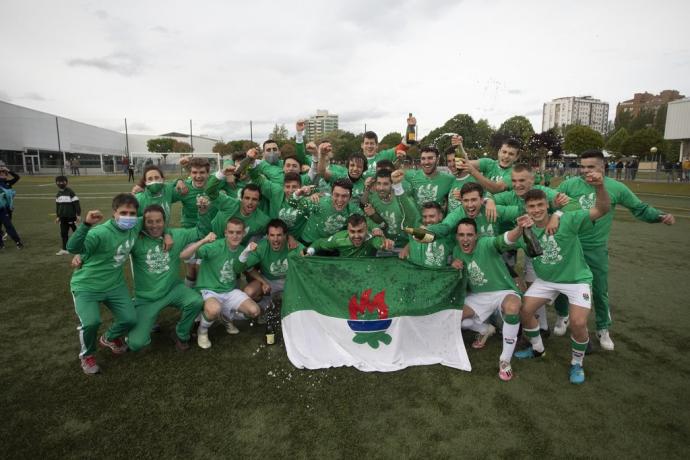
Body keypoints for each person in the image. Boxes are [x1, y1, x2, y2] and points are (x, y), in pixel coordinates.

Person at [552, 150, 675, 350]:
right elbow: (551, 203)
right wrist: (553, 204)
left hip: (596, 248)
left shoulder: (616, 188)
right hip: (570, 245)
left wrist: (659, 216)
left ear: (603, 167)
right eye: (582, 166)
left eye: (590, 167)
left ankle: (603, 328)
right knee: (563, 284)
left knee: (600, 290)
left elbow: (639, 208)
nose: (585, 171)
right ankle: (562, 316)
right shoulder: (569, 184)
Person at [513, 173, 611, 384]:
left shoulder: (569, 220)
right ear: (526, 210)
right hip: (547, 280)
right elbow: (503, 245)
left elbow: (602, 209)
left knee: (577, 323)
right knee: (525, 310)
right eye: (532, 206)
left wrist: (600, 186)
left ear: (547, 206)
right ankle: (537, 349)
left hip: (576, 280)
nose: (537, 210)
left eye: (540, 205)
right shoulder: (526, 231)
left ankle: (577, 363)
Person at [66, 194, 143, 374]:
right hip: (87, 286)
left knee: (130, 318)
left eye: (132, 213)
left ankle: (110, 337)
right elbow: (72, 248)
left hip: (114, 285)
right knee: (91, 322)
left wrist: (167, 235)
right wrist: (86, 225)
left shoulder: (136, 224)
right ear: (114, 212)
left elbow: (156, 219)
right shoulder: (99, 232)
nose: (128, 217)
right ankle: (87, 356)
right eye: (123, 212)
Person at [451, 217, 524, 381]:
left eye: (469, 235)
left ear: (476, 236)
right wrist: (453, 264)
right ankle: (485, 329)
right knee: (454, 317)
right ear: (456, 236)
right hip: (478, 296)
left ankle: (505, 361)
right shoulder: (456, 251)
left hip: (503, 291)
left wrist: (519, 228)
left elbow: (506, 239)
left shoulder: (486, 243)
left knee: (512, 309)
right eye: (461, 235)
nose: (465, 239)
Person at [126, 204, 206, 352]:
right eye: (149, 221)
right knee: (136, 344)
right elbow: (118, 234)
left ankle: (180, 333)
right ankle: (135, 315)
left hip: (172, 289)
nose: (154, 225)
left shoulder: (177, 235)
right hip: (147, 298)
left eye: (159, 221)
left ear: (165, 222)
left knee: (196, 301)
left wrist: (202, 212)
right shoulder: (136, 240)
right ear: (143, 222)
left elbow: (200, 231)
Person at [179, 218, 261, 349]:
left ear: (243, 234)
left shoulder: (242, 249)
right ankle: (203, 331)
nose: (235, 236)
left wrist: (245, 253)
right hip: (209, 291)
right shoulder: (214, 246)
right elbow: (184, 256)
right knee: (213, 309)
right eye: (231, 232)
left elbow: (239, 270)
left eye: (238, 232)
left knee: (254, 311)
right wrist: (204, 240)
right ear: (225, 233)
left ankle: (226, 316)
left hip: (229, 291)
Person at [289, 178, 362, 245]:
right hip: (308, 243)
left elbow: (366, 221)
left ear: (350, 197)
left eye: (344, 196)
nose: (340, 200)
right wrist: (298, 193)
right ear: (331, 194)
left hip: (330, 247)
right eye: (336, 195)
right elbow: (292, 202)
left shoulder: (353, 210)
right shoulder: (319, 202)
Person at [453, 135, 521, 193]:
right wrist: (459, 146)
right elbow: (462, 164)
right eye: (504, 152)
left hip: (499, 207)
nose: (506, 156)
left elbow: (496, 188)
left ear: (516, 157)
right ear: (499, 152)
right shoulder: (488, 163)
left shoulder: (516, 173)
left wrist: (473, 171)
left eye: (511, 154)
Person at [306, 214, 394, 257]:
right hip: (345, 274)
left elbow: (380, 244)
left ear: (366, 229)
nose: (356, 236)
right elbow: (320, 243)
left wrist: (386, 245)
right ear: (347, 230)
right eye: (352, 231)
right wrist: (309, 252)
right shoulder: (338, 239)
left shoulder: (373, 238)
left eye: (360, 231)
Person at [55, 175, 81, 255]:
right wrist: (58, 216)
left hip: (71, 217)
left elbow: (76, 204)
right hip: (63, 218)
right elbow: (58, 206)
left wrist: (78, 215)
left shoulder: (70, 192)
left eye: (62, 182)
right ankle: (64, 249)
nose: (60, 183)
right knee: (63, 233)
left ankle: (82, 247)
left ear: (66, 182)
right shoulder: (58, 194)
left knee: (77, 233)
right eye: (58, 182)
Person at [0, 165, 23, 248]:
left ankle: (13, 238)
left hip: (7, 207)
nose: (3, 175)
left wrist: (8, 170)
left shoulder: (8, 183)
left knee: (8, 223)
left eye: (4, 174)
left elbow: (17, 177)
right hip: (1, 207)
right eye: (1, 174)